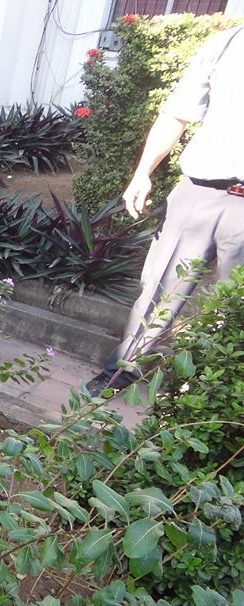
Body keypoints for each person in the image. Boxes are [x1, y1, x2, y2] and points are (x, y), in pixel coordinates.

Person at [87, 25, 244, 394]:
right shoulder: (225, 43)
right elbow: (176, 113)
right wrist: (143, 172)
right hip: (199, 190)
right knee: (158, 291)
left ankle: (217, 396)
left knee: (236, 309)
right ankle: (123, 370)